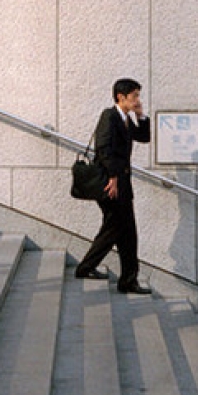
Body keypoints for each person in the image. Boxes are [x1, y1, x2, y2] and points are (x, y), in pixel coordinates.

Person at [75, 78, 151, 294]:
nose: (137, 99)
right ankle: (123, 278)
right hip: (111, 184)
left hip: (121, 183)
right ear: (121, 97)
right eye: (134, 96)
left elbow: (144, 137)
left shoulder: (125, 118)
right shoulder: (109, 116)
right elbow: (103, 148)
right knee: (121, 230)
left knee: (119, 229)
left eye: (138, 95)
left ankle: (93, 269)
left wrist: (140, 115)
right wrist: (114, 177)